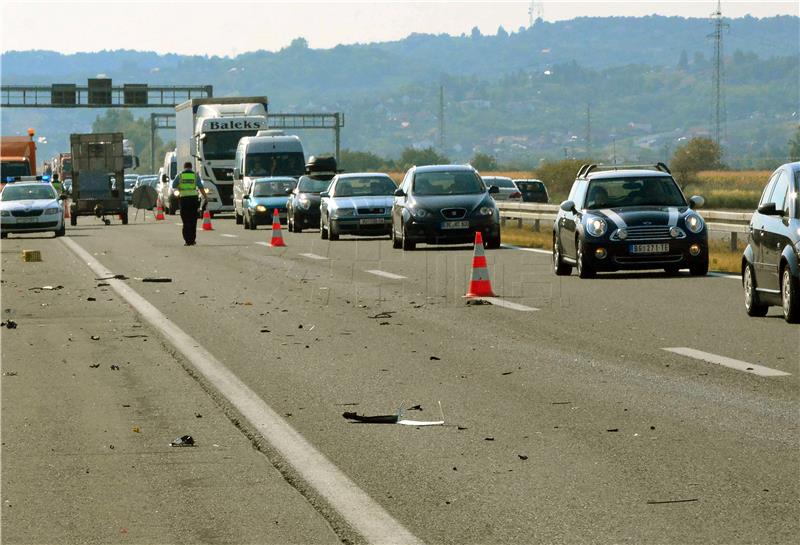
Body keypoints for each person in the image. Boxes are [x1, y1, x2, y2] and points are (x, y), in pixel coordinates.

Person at [172, 162, 205, 246]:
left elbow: (173, 185)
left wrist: (179, 188)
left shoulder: (180, 175)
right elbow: (200, 186)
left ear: (184, 167)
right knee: (193, 220)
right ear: (191, 167)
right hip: (193, 199)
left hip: (184, 200)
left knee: (185, 220)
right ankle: (192, 240)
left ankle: (187, 241)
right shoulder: (195, 175)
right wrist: (205, 196)